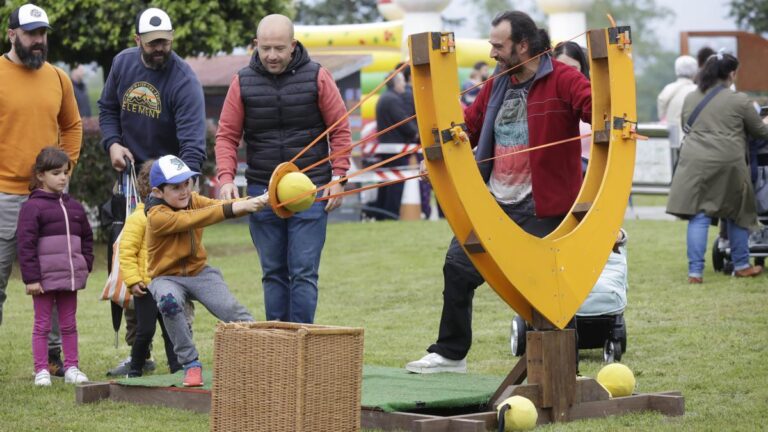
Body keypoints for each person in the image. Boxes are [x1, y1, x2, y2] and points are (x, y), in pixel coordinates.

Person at [405, 10, 591, 373]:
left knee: (542, 284)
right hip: (493, 202)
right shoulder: (496, 84)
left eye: (498, 45)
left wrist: (608, 95)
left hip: (544, 206)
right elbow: (466, 129)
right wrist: (437, 159)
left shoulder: (565, 79)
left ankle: (561, 366)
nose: (492, 53)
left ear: (523, 45)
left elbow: (597, 110)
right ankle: (450, 353)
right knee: (457, 267)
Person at [215, 14, 351, 324]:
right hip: (263, 192)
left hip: (310, 189)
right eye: (265, 48)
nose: (272, 56)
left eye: (279, 48)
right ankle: (278, 342)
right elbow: (226, 136)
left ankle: (301, 341)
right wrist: (225, 179)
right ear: (256, 45)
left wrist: (338, 176)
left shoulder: (318, 76)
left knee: (303, 271)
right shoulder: (242, 81)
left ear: (293, 45)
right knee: (273, 272)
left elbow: (340, 129)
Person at [98, 7, 206, 375]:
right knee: (132, 264)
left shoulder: (183, 80)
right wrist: (112, 143)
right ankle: (138, 354)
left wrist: (171, 189)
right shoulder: (122, 64)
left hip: (171, 185)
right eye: (153, 42)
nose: (161, 48)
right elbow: (108, 108)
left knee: (173, 267)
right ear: (137, 40)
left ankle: (183, 354)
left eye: (166, 41)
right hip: (131, 181)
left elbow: (193, 148)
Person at [0, 3, 82, 378]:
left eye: (43, 33)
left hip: (49, 200)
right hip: (3, 196)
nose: (38, 40)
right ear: (11, 33)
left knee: (52, 279)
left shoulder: (58, 78)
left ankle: (53, 359)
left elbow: (73, 125)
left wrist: (65, 170)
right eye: (31, 33)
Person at [145, 155, 268, 387]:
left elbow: (216, 206)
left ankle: (263, 350)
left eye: (187, 184)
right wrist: (238, 207)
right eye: (176, 187)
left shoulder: (192, 199)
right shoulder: (156, 216)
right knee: (168, 303)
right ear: (158, 192)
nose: (184, 192)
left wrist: (259, 200)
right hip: (166, 277)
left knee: (232, 310)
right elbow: (195, 218)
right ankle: (190, 363)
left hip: (199, 272)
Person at [666, 52, 768, 283]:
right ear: (731, 74)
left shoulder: (692, 97)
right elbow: (760, 132)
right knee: (737, 213)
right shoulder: (739, 100)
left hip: (694, 161)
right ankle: (741, 265)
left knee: (699, 216)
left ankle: (695, 272)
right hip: (728, 161)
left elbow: (686, 125)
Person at [16, 147, 93, 386]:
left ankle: (72, 367)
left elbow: (87, 239)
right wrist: (31, 279)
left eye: (66, 172)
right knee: (42, 325)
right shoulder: (32, 208)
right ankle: (41, 370)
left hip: (69, 279)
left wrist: (84, 265)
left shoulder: (75, 208)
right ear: (40, 175)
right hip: (43, 281)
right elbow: (25, 245)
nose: (63, 177)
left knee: (69, 325)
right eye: (56, 173)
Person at [120, 160, 182, 377]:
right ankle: (135, 368)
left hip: (168, 286)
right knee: (145, 331)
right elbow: (126, 253)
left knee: (171, 330)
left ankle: (177, 368)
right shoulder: (138, 219)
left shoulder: (172, 217)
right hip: (145, 288)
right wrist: (133, 281)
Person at [369, 71, 419, 220]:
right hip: (396, 149)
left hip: (387, 147)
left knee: (386, 182)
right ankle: (391, 214)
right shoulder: (393, 100)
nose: (404, 84)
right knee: (395, 184)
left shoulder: (385, 98)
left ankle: (383, 214)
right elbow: (403, 122)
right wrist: (416, 134)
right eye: (402, 81)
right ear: (396, 83)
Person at [553, 41, 592, 173]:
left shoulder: (593, 99)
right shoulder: (543, 102)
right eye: (562, 69)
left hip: (592, 174)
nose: (567, 76)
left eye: (573, 69)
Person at [657, 56, 697, 173]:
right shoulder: (698, 90)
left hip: (672, 137)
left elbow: (662, 109)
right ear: (695, 71)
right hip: (692, 139)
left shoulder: (668, 88)